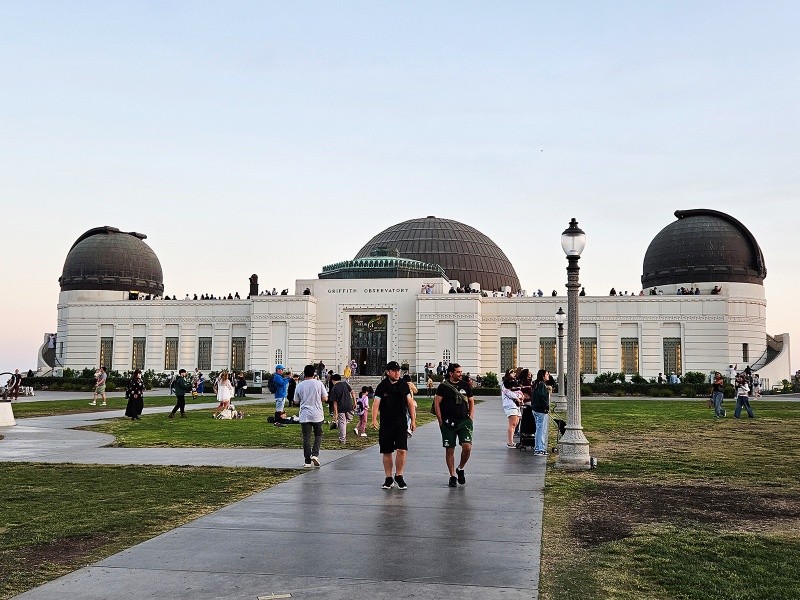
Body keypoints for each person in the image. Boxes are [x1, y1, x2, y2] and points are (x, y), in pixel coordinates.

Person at [372, 361, 416, 490]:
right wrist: (374, 419)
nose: (397, 373)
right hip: (386, 423)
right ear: (388, 372)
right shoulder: (382, 386)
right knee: (387, 451)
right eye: (394, 371)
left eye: (398, 371)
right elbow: (376, 403)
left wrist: (413, 420)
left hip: (401, 422)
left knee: (402, 450)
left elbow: (410, 403)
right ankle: (388, 478)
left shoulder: (403, 385)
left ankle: (399, 475)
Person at [434, 363, 475, 487]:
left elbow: (472, 401)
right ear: (451, 373)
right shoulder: (443, 387)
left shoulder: (465, 385)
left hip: (464, 421)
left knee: (467, 447)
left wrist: (471, 417)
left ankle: (460, 468)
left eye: (461, 371)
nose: (460, 374)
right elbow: (437, 403)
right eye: (457, 372)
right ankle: (452, 475)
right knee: (450, 449)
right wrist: (440, 421)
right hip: (447, 422)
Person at [295, 364, 327, 467]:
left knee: (306, 437)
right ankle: (315, 454)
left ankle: (307, 461)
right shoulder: (319, 384)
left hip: (305, 415)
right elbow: (325, 398)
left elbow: (296, 401)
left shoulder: (299, 385)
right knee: (318, 435)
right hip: (317, 414)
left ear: (304, 373)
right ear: (314, 373)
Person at [331, 373, 356, 443]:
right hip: (348, 405)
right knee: (350, 418)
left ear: (333, 380)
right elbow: (352, 392)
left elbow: (334, 402)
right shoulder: (345, 384)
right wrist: (355, 402)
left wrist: (335, 412)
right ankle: (342, 437)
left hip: (340, 407)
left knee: (343, 422)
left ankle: (342, 438)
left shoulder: (334, 388)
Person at [531, 369, 551, 455]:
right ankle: (539, 449)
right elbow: (542, 396)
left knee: (539, 429)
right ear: (543, 376)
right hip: (541, 410)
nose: (548, 376)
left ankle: (539, 447)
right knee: (541, 430)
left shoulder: (536, 384)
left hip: (536, 409)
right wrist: (546, 407)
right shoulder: (542, 385)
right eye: (547, 374)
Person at [502, 371, 523, 448]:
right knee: (512, 424)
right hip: (510, 405)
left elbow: (519, 391)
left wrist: (520, 395)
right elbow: (509, 393)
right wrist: (517, 397)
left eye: (514, 373)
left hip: (516, 405)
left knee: (516, 423)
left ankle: (512, 441)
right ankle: (510, 442)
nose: (514, 374)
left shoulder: (514, 382)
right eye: (512, 373)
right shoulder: (505, 383)